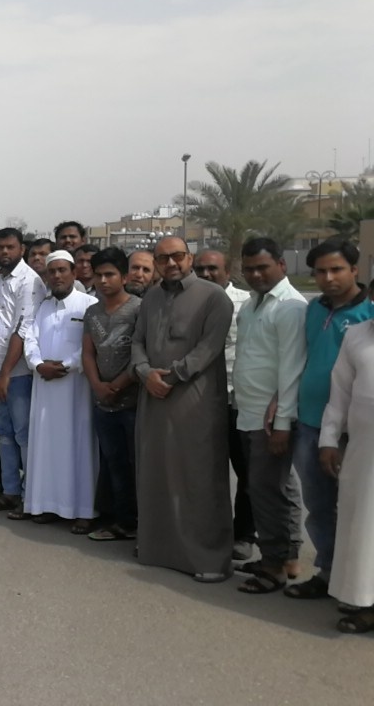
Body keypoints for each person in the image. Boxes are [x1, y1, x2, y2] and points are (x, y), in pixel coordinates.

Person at [131, 236, 234, 582]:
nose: (171, 263)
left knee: (199, 477)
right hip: (154, 396)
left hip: (195, 399)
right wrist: (145, 373)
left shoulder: (213, 297)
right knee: (155, 472)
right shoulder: (152, 299)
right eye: (163, 258)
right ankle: (157, 549)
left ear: (189, 258)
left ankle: (208, 558)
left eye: (177, 256)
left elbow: (208, 349)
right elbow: (138, 342)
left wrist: (171, 377)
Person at [286, 241, 372, 601]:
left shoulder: (367, 316)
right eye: (321, 271)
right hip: (310, 423)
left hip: (355, 434)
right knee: (320, 508)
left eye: (336, 269)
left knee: (360, 512)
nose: (328, 278)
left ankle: (360, 583)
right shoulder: (313, 309)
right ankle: (329, 573)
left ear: (355, 270)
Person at [231, 237, 307, 594]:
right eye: (249, 269)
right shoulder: (251, 305)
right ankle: (285, 555)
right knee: (273, 487)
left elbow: (292, 370)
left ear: (282, 265)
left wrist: (282, 425)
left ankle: (274, 566)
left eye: (263, 267)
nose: (256, 274)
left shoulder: (290, 307)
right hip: (248, 411)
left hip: (270, 420)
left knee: (265, 490)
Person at [19, 251, 99, 533]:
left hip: (76, 388)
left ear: (74, 272)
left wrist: (65, 366)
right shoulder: (43, 307)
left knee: (79, 447)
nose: (57, 276)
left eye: (62, 270)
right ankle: (48, 504)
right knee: (47, 447)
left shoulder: (89, 304)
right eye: (52, 272)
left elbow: (91, 346)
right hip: (45, 386)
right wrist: (38, 364)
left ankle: (83, 510)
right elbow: (30, 339)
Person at [194, 248, 256, 559]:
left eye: (212, 269)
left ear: (227, 271)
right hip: (202, 400)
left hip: (239, 399)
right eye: (200, 269)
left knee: (246, 471)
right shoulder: (192, 303)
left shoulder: (247, 303)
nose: (205, 275)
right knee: (204, 470)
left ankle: (244, 534)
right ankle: (208, 530)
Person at [0, 228, 41, 514]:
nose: (5, 252)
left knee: (23, 435)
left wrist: (5, 374)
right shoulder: (0, 279)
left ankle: (30, 496)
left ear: (21, 249)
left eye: (10, 247)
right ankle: (10, 491)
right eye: (0, 247)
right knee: (3, 434)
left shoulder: (29, 281)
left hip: (14, 375)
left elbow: (22, 329)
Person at [318, 319, 374, 633]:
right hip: (365, 453)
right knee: (365, 529)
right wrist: (328, 438)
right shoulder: (356, 335)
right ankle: (366, 603)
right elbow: (340, 392)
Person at [81, 248, 141, 541]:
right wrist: (98, 386)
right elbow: (88, 353)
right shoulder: (92, 311)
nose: (103, 281)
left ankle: (143, 524)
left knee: (136, 465)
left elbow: (142, 357)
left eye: (110, 275)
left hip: (132, 402)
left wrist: (116, 386)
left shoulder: (139, 309)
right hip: (103, 403)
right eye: (99, 275)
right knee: (113, 464)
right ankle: (123, 521)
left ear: (125, 277)